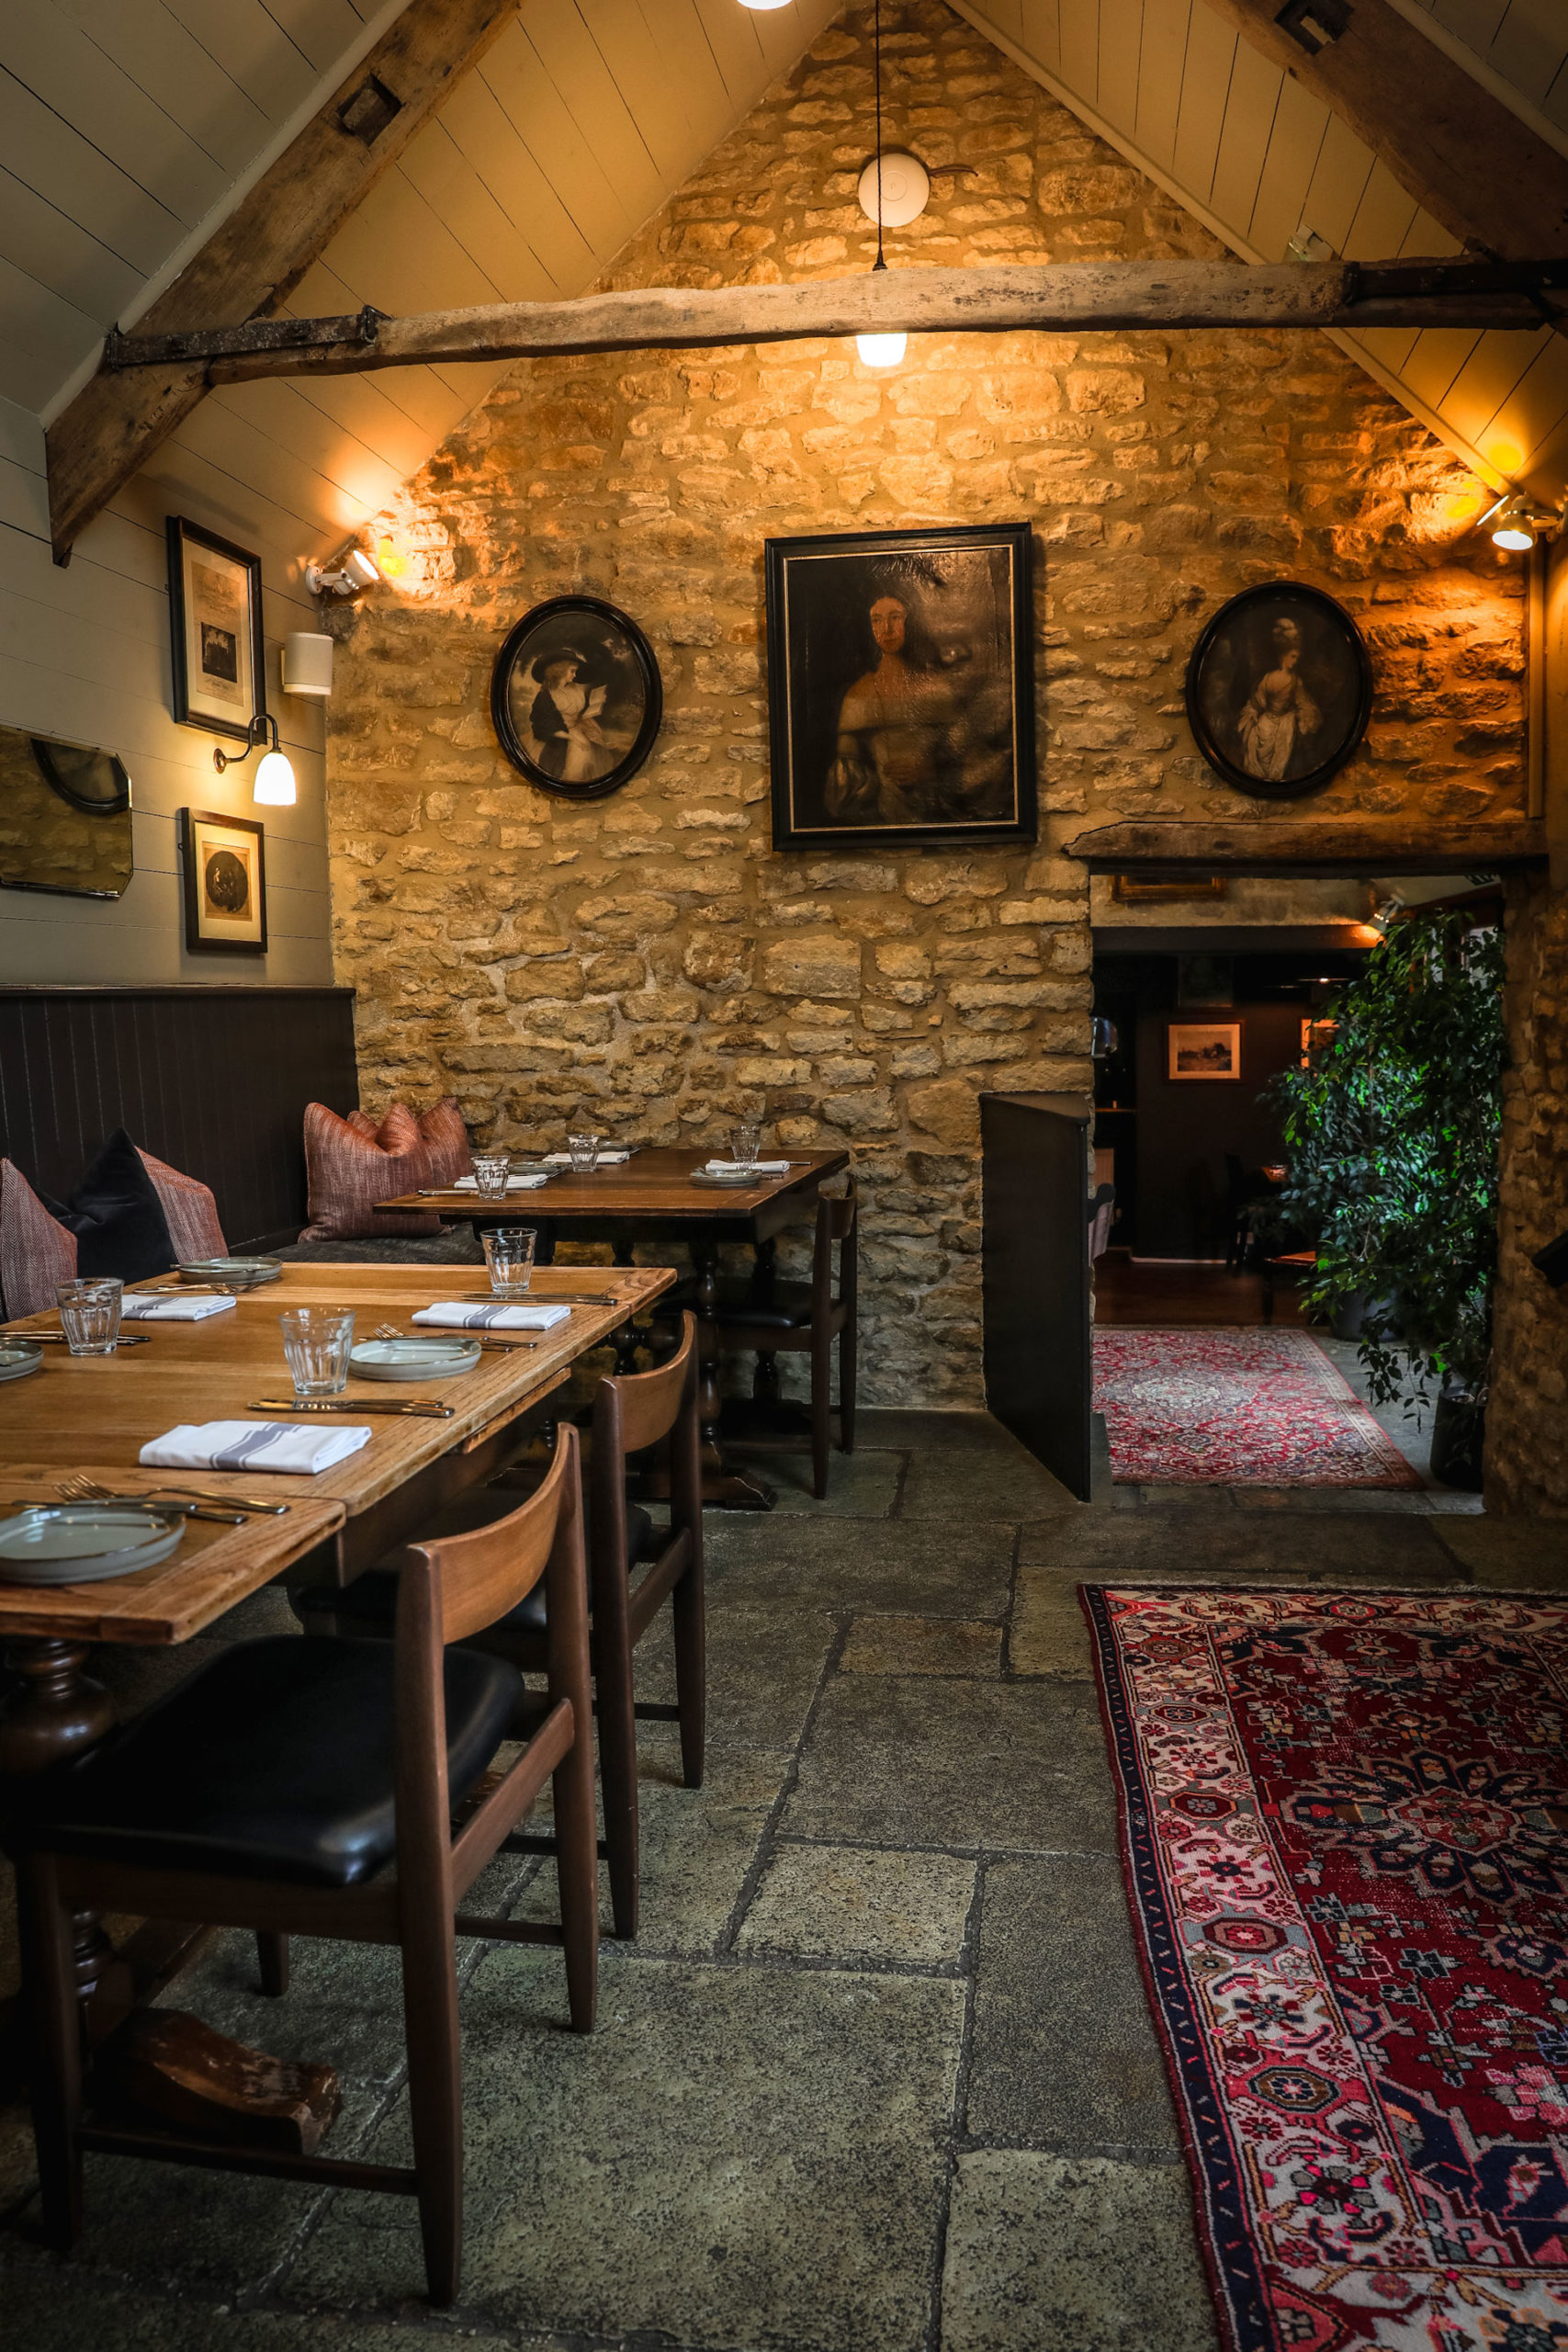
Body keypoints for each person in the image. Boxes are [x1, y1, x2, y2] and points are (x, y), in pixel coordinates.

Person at [825, 589, 973, 826]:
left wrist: (931, 770)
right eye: (877, 620)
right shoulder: (859, 694)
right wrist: (878, 781)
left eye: (895, 617)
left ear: (911, 621)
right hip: (882, 820)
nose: (887, 629)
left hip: (940, 818)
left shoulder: (938, 688)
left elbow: (967, 760)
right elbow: (847, 782)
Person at [1235, 616, 1322, 782]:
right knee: (1255, 734)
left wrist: (1303, 717)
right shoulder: (1268, 678)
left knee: (1287, 732)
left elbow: (1303, 703)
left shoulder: (1295, 680)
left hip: (1285, 721)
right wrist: (1252, 713)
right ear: (1284, 657)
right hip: (1266, 721)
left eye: (1297, 657)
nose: (1296, 661)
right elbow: (1257, 702)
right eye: (1293, 656)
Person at [526, 652, 611, 784]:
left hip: (580, 725)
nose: (575, 675)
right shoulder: (545, 696)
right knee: (580, 755)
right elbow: (543, 725)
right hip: (561, 733)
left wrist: (596, 703)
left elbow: (579, 708)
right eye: (572, 671)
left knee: (595, 751)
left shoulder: (574, 688)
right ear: (559, 671)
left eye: (575, 671)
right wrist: (573, 738)